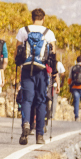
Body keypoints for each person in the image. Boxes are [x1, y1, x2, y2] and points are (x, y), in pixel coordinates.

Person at [15, 8, 56, 145]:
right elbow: (53, 53)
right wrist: (54, 73)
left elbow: (17, 50)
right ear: (43, 18)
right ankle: (39, 135)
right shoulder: (48, 33)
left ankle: (26, 123)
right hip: (42, 71)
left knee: (27, 100)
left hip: (27, 69)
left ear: (32, 17)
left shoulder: (23, 31)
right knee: (40, 101)